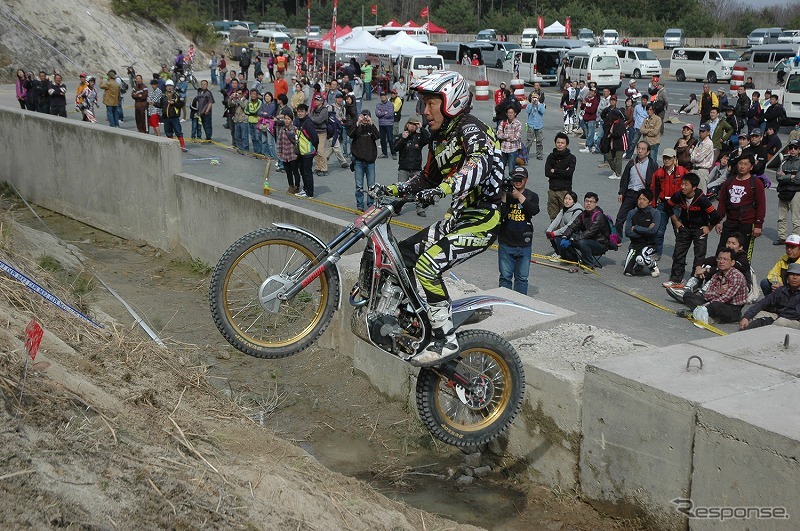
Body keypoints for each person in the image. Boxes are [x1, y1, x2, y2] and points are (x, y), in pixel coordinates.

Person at [379, 71, 504, 366]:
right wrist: (392, 190)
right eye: (424, 103)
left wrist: (443, 189)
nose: (425, 111)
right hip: (457, 218)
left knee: (427, 265)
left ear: (451, 101)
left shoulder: (472, 129)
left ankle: (445, 338)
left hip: (482, 220)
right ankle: (412, 318)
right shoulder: (438, 140)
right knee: (402, 255)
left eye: (432, 103)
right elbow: (425, 179)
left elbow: (478, 165)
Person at [662, 173, 720, 288]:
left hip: (699, 230)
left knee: (699, 256)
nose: (683, 187)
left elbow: (716, 216)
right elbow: (667, 206)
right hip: (685, 228)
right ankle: (676, 280)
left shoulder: (702, 199)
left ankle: (695, 282)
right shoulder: (679, 195)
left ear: (694, 187)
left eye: (686, 185)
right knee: (678, 253)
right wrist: (676, 222)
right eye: (682, 184)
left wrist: (709, 227)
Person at [673, 248, 749, 324]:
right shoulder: (716, 275)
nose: (721, 262)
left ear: (732, 262)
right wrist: (718, 291)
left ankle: (695, 313)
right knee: (687, 296)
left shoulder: (736, 276)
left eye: (725, 259)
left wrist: (704, 306)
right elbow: (706, 295)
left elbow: (724, 298)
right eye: (719, 259)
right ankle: (705, 314)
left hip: (731, 308)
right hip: (713, 302)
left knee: (716, 306)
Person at [668, 233, 752, 301]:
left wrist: (707, 270)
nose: (730, 245)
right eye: (728, 242)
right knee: (706, 265)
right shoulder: (724, 254)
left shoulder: (743, 259)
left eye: (733, 243)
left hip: (739, 288)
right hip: (723, 284)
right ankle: (689, 289)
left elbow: (729, 269)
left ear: (740, 247)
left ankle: (703, 295)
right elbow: (705, 260)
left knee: (718, 271)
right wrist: (698, 268)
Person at [714, 153, 766, 261]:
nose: (742, 166)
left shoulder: (756, 183)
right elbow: (722, 202)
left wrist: (758, 225)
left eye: (746, 164)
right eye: (740, 163)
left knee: (743, 255)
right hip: (730, 222)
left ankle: (743, 277)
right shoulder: (729, 181)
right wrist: (718, 220)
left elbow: (761, 205)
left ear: (751, 167)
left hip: (746, 224)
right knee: (722, 251)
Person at [498, 166, 540, 295]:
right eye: (515, 178)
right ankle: (504, 302)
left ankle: (520, 304)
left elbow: (534, 210)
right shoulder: (506, 194)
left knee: (522, 278)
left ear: (526, 180)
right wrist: (504, 195)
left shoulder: (532, 195)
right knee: (505, 277)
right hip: (506, 242)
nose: (517, 182)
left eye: (520, 179)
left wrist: (519, 196)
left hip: (524, 243)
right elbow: (501, 214)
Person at [559, 192, 614, 269]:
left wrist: (573, 239)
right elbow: (572, 226)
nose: (588, 204)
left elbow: (590, 232)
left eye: (591, 202)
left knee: (582, 242)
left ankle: (589, 264)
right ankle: (571, 259)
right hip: (588, 239)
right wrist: (565, 236)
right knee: (564, 236)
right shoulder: (583, 214)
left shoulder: (599, 216)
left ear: (596, 203)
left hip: (600, 244)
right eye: (586, 201)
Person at [651, 147, 688, 259]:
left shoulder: (682, 171)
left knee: (679, 231)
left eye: (669, 158)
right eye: (665, 158)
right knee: (659, 230)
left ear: (674, 159)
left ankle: (680, 256)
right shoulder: (658, 173)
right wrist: (653, 205)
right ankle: (657, 253)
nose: (666, 160)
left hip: (676, 205)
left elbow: (689, 186)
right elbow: (653, 189)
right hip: (662, 204)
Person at [615, 141, 658, 236]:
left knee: (643, 218)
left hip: (642, 195)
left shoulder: (652, 165)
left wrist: (652, 197)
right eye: (638, 148)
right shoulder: (632, 162)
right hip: (630, 194)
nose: (640, 151)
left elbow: (655, 183)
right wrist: (621, 192)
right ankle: (617, 238)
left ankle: (640, 238)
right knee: (620, 217)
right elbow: (624, 178)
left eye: (643, 149)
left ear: (648, 152)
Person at [740, 262, 800, 330]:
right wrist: (746, 317)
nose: (794, 277)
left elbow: (796, 314)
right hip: (779, 316)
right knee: (756, 315)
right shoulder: (782, 290)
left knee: (780, 322)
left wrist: (770, 320)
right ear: (787, 277)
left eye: (798, 275)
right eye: (792, 274)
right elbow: (762, 303)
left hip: (795, 320)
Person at [394, 117, 430, 217]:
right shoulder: (402, 135)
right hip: (404, 168)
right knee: (401, 190)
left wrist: (422, 128)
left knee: (419, 190)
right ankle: (397, 207)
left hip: (416, 168)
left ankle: (419, 208)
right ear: (407, 125)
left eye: (415, 125)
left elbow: (428, 139)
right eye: (411, 124)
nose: (412, 126)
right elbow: (395, 148)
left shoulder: (419, 137)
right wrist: (402, 139)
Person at [623, 189, 661, 277]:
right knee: (628, 272)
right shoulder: (632, 213)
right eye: (640, 199)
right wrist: (646, 230)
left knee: (641, 258)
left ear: (650, 202)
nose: (641, 201)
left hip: (650, 244)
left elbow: (653, 231)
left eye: (644, 199)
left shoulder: (655, 213)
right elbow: (628, 233)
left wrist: (636, 228)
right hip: (635, 244)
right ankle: (639, 265)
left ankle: (653, 265)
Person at [544, 132, 577, 221]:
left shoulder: (571, 158)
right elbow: (547, 173)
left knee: (566, 214)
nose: (560, 145)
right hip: (552, 189)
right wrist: (562, 171)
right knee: (553, 215)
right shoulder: (551, 157)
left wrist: (555, 170)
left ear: (567, 145)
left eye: (562, 143)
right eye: (558, 142)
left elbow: (569, 173)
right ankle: (553, 232)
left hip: (565, 190)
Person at [545, 191, 583, 259]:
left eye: (569, 199)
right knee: (551, 234)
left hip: (575, 233)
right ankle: (558, 252)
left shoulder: (578, 211)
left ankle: (564, 255)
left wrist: (554, 233)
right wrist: (549, 231)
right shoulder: (564, 209)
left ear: (574, 201)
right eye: (565, 198)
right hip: (567, 231)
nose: (567, 201)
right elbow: (556, 220)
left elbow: (569, 226)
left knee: (557, 236)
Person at [776, 140, 800, 245]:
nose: (793, 150)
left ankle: (795, 239)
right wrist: (790, 176)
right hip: (783, 191)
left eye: (795, 148)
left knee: (796, 218)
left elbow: (798, 179)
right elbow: (778, 176)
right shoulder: (784, 161)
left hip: (796, 192)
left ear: (799, 149)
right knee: (781, 217)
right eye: (791, 148)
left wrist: (784, 175)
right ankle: (782, 238)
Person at [294, 103, 319, 198]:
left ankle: (310, 192)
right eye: (298, 111)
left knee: (307, 172)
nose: (300, 113)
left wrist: (314, 149)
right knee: (303, 171)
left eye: (302, 111)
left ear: (306, 112)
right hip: (301, 151)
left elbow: (315, 138)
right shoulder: (297, 121)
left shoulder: (308, 123)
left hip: (308, 152)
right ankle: (305, 189)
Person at [276, 108, 301, 194]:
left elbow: (298, 142)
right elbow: (279, 142)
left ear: (292, 120)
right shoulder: (282, 130)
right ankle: (290, 185)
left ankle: (297, 186)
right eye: (285, 119)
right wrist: (279, 152)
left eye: (288, 119)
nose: (286, 121)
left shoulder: (295, 129)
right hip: (285, 155)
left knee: (295, 171)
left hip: (293, 155)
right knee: (288, 172)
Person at [160, 80, 188, 152]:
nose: (169, 87)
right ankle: (171, 146)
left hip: (174, 117)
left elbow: (181, 104)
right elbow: (161, 105)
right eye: (168, 86)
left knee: (178, 132)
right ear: (165, 87)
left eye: (171, 86)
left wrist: (174, 103)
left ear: (173, 87)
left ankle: (182, 146)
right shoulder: (163, 96)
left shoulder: (177, 95)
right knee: (168, 132)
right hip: (166, 118)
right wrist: (153, 103)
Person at [497, 107, 523, 176]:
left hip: (513, 149)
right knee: (501, 168)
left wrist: (505, 136)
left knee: (511, 169)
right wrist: (509, 135)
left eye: (512, 113)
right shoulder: (503, 123)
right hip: (503, 148)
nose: (510, 114)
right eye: (509, 113)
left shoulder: (518, 124)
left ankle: (512, 182)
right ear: (506, 114)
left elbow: (516, 137)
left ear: (515, 113)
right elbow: (498, 134)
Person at [690, 123, 715, 193]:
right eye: (700, 131)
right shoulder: (700, 142)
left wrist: (693, 155)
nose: (701, 133)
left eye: (703, 131)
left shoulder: (708, 143)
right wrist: (693, 155)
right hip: (695, 169)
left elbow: (697, 158)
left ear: (708, 132)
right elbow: (693, 155)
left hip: (702, 171)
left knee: (700, 193)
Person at [375, 91, 396, 159]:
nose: (382, 97)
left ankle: (393, 153)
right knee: (382, 139)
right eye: (381, 96)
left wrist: (382, 113)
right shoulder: (378, 105)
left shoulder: (390, 104)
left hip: (389, 124)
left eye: (384, 95)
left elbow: (390, 114)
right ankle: (384, 153)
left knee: (390, 139)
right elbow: (377, 114)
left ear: (386, 96)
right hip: (381, 124)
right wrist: (385, 112)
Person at [525, 92, 545, 161]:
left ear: (538, 98)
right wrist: (532, 104)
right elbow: (527, 111)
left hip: (539, 125)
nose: (534, 99)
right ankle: (525, 154)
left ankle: (539, 154)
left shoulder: (541, 105)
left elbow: (542, 111)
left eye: (535, 97)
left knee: (539, 141)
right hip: (531, 124)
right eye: (533, 97)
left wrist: (537, 104)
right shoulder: (529, 105)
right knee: (529, 141)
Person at [244, 89, 263, 153]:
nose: (253, 95)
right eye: (251, 94)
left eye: (254, 94)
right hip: (250, 122)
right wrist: (250, 112)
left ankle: (260, 152)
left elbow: (256, 112)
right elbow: (245, 111)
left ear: (257, 95)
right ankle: (256, 152)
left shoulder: (259, 102)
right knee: (253, 138)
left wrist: (250, 112)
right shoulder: (249, 102)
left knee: (258, 138)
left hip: (256, 122)